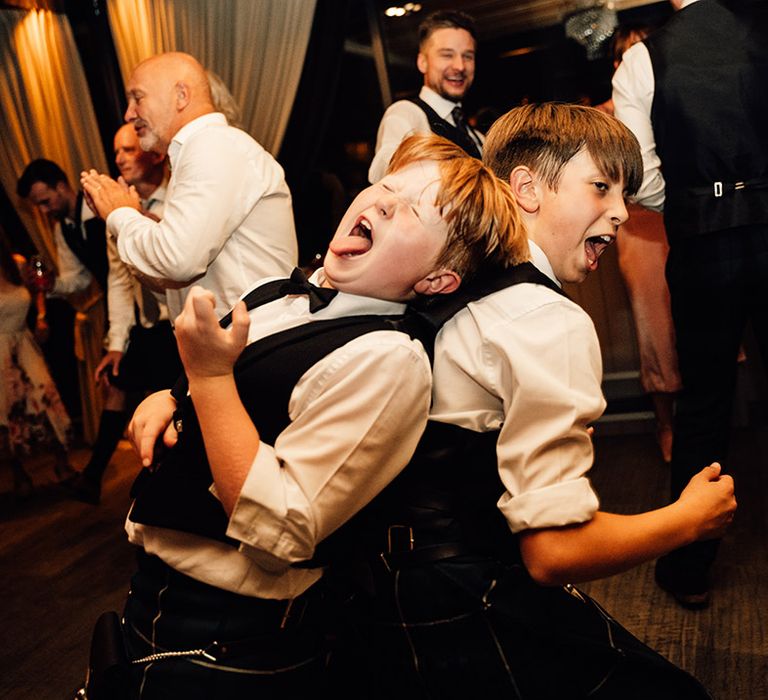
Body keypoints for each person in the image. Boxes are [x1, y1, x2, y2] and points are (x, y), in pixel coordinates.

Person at [323, 104, 736, 698]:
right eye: (601, 186)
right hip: (456, 594)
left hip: (363, 592)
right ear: (526, 189)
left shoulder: (436, 275)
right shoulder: (547, 318)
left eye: (625, 194)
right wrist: (687, 520)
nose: (621, 212)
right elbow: (553, 552)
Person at [105, 134, 522, 698]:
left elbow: (280, 530)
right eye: (388, 187)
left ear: (436, 280)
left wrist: (207, 380)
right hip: (152, 592)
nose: (383, 203)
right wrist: (172, 396)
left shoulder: (389, 359)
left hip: (230, 629)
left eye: (415, 212)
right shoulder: (283, 293)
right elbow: (239, 382)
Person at [612, 0, 768, 609]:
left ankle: (688, 568)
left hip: (705, 242)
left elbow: (642, 179)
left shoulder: (643, 59)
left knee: (704, 405)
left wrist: (699, 196)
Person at [81, 51, 298, 320]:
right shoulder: (195, 155)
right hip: (232, 345)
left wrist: (122, 215)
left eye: (138, 98)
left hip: (256, 339)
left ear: (181, 95)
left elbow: (177, 262)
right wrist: (130, 221)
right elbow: (173, 290)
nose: (128, 114)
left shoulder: (213, 144)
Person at [62, 124, 181, 505]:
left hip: (178, 324)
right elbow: (118, 279)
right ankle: (96, 477)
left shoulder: (182, 198)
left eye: (129, 149)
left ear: (155, 155)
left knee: (175, 411)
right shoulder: (112, 212)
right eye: (116, 151)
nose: (119, 158)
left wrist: (141, 216)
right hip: (146, 324)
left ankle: (176, 490)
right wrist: (115, 343)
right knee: (117, 380)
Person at [598, 24, 681, 464]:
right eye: (629, 53)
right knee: (656, 332)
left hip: (682, 223)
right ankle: (666, 424)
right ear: (618, 64)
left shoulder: (673, 100)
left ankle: (704, 421)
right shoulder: (604, 119)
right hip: (639, 230)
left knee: (697, 320)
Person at [16, 159, 108, 422]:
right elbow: (77, 280)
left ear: (61, 186)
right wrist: (51, 284)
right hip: (116, 300)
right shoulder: (62, 230)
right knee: (116, 382)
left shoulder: (98, 207)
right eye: (38, 206)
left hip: (142, 295)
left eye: (45, 201)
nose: (44, 211)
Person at [368, 9, 483, 184]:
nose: (460, 66)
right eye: (447, 55)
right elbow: (382, 173)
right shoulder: (407, 114)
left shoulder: (477, 137)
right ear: (423, 62)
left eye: (468, 56)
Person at [0, 228, 73, 499]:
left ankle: (62, 464)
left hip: (25, 342)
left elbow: (39, 289)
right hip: (0, 351)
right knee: (9, 410)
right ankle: (18, 471)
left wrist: (41, 316)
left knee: (44, 397)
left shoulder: (15, 264)